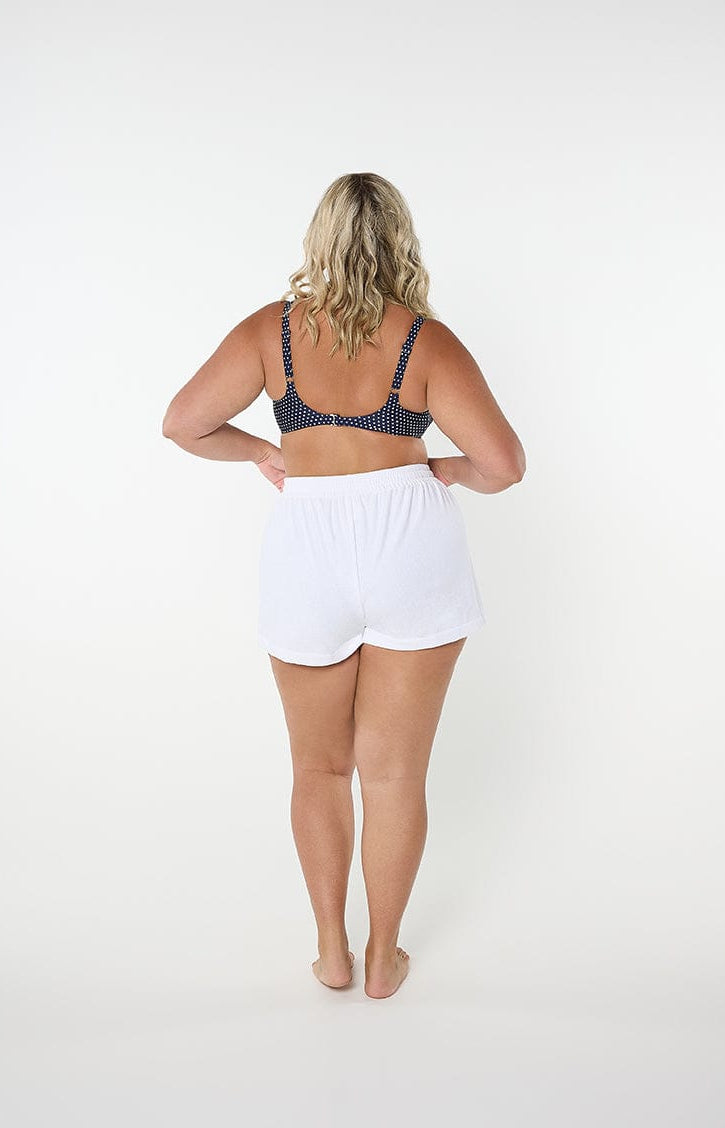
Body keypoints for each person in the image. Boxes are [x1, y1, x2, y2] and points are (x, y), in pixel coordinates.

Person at [162, 172, 526, 999]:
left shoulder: (271, 332)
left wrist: (264, 451)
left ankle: (330, 948)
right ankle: (384, 958)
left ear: (318, 239)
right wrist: (442, 467)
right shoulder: (425, 341)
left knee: (318, 769)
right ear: (398, 237)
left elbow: (184, 422)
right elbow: (504, 466)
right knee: (393, 774)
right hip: (411, 542)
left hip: (308, 543)